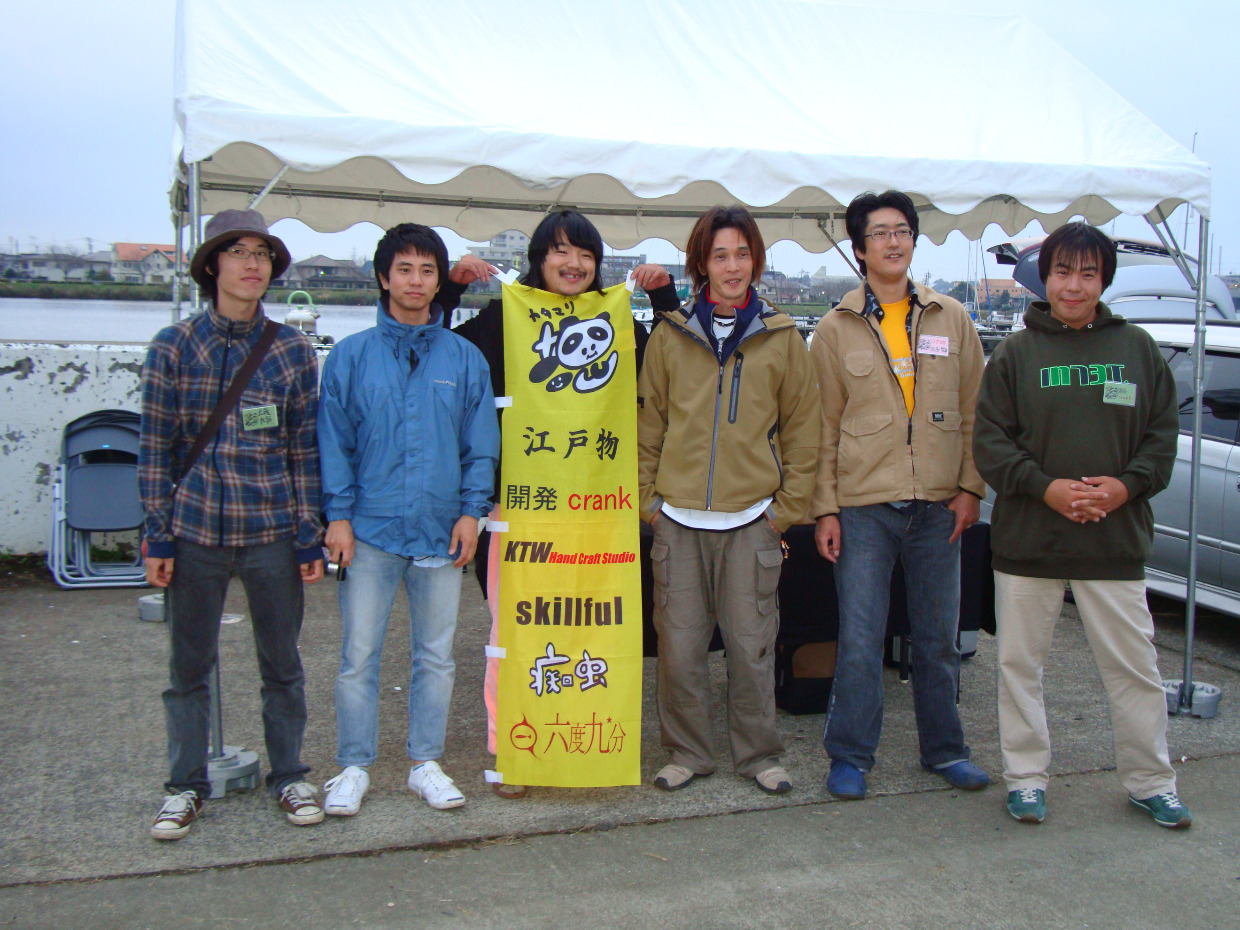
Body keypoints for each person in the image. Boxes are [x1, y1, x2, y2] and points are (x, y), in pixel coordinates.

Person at [445, 209, 678, 798]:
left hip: (599, 508)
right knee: (517, 629)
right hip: (521, 508)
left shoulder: (615, 319)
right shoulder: (504, 316)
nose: (573, 264)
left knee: (597, 625)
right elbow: (444, 353)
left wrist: (663, 297)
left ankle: (589, 736)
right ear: (539, 259)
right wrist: (450, 290)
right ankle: (512, 746)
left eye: (586, 255)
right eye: (561, 251)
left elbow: (668, 362)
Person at [973, 222, 1190, 827]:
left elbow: (1161, 438)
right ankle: (1025, 779)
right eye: (1063, 272)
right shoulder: (1014, 355)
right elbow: (991, 444)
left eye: (1088, 274)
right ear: (1045, 278)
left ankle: (1152, 781)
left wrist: (1124, 487)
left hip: (1113, 542)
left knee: (1135, 670)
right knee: (1019, 669)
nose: (1074, 285)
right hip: (1029, 542)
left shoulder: (1137, 349)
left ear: (1104, 280)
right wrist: (1047, 488)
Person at [139, 209, 326, 840]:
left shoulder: (292, 350)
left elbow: (303, 450)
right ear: (212, 264)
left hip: (271, 530)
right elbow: (154, 448)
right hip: (193, 531)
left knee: (283, 664)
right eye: (238, 252)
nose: (252, 264)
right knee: (188, 668)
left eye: (262, 254)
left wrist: (308, 533)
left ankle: (290, 775)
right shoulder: (173, 346)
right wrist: (157, 533)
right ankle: (184, 786)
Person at [810, 190, 990, 800]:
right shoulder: (834, 329)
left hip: (940, 505)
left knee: (938, 640)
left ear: (913, 240)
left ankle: (946, 750)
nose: (893, 242)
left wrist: (971, 488)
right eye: (879, 233)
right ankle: (850, 756)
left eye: (902, 231)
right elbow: (821, 429)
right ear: (859, 249)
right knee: (860, 641)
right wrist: (825, 509)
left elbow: (977, 413)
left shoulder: (952, 317)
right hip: (864, 508)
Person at [637, 205, 820, 795]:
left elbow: (804, 431)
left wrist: (783, 512)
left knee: (751, 647)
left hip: (752, 520)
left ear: (756, 260)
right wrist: (649, 503)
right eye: (720, 255)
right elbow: (647, 426)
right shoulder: (670, 336)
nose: (733, 266)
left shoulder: (782, 337)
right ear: (702, 263)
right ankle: (687, 752)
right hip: (677, 520)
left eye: (742, 253)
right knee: (680, 649)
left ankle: (758, 754)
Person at [317, 223, 499, 814]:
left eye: (427, 270)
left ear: (438, 281)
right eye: (404, 269)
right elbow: (334, 442)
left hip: (441, 531)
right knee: (358, 656)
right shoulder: (350, 357)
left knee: (436, 656)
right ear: (383, 277)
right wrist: (338, 516)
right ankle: (353, 766)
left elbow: (480, 444)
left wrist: (472, 512)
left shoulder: (464, 358)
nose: (415, 281)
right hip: (368, 530)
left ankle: (426, 763)